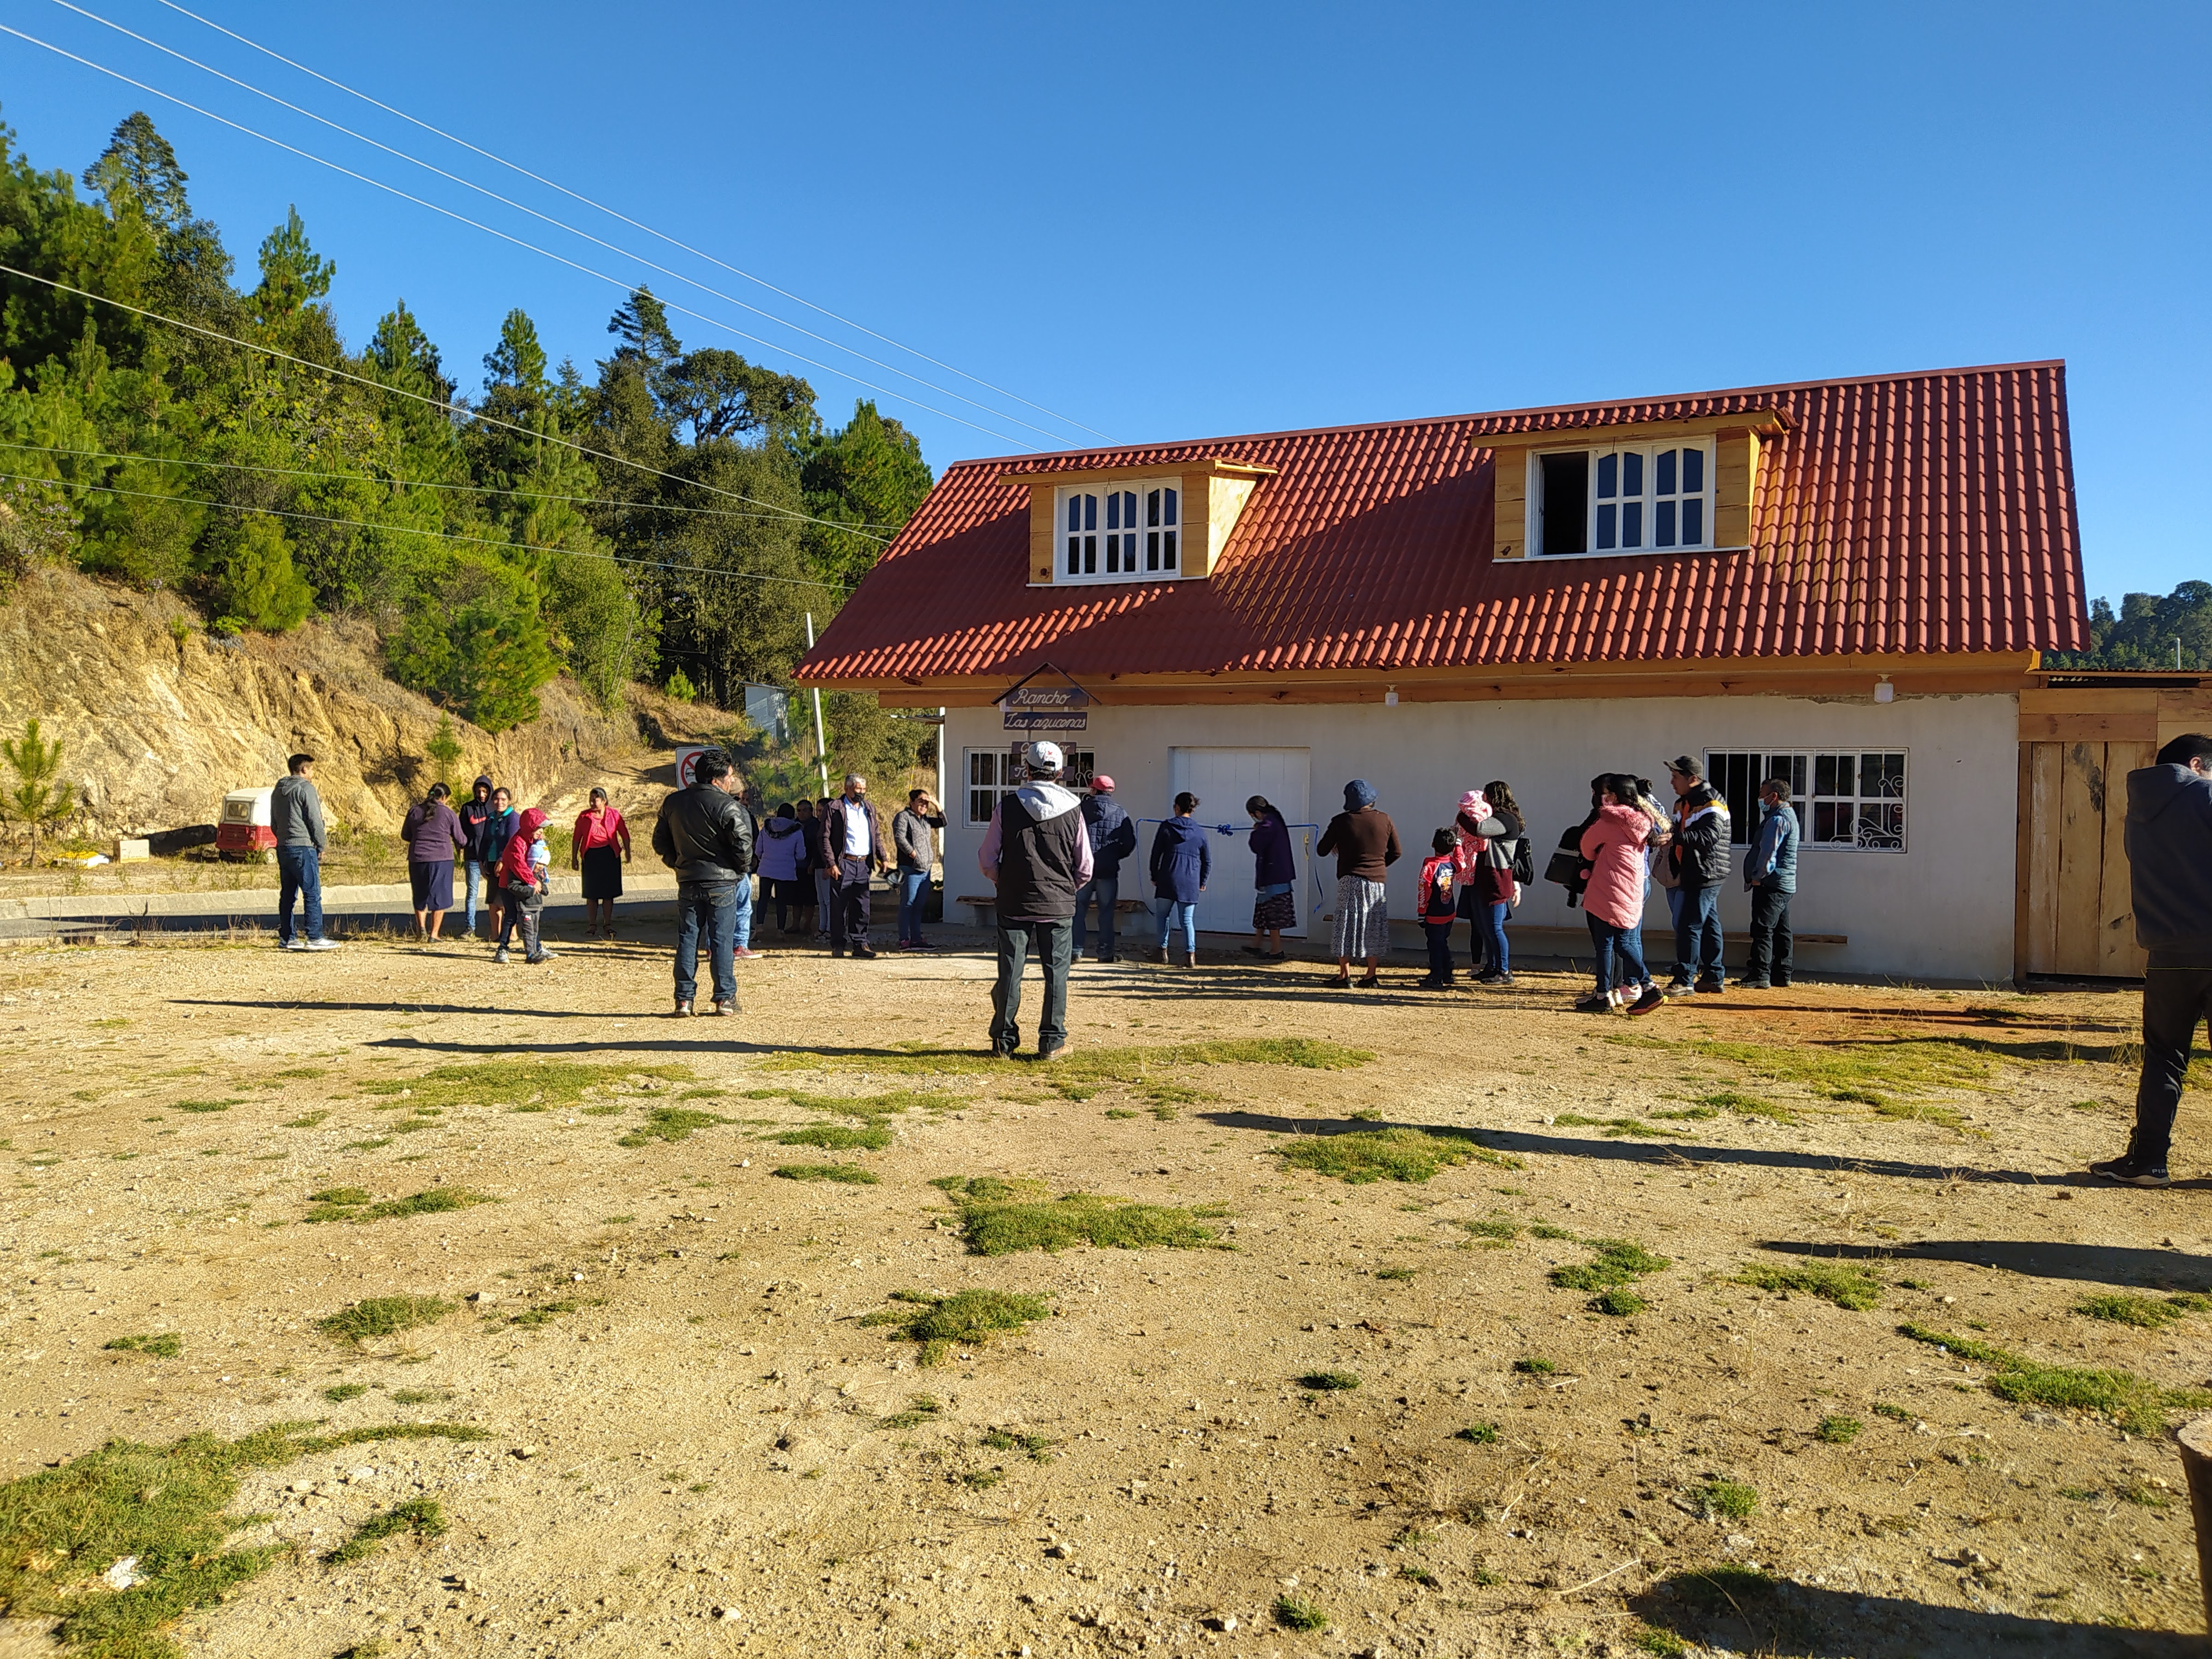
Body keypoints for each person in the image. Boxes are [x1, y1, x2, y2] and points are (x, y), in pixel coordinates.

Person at [2093, 733, 2212, 1187]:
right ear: (2197, 763)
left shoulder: (2140, 811)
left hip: (2169, 956)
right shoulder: (2206, 795)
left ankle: (2148, 1161)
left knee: (2165, 1055)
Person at [979, 740, 1092, 1059]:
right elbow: (1085, 866)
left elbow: (987, 859)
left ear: (1026, 770)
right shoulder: (1074, 808)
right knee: (1056, 974)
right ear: (1059, 773)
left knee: (1010, 972)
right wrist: (1067, 889)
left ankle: (1003, 1042)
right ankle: (1052, 1042)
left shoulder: (1007, 806)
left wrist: (1002, 879)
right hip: (1058, 904)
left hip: (1014, 901)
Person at [651, 749, 755, 1017]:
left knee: (687, 939)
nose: (732, 781)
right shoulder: (728, 805)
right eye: (730, 776)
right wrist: (739, 871)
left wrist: (678, 863)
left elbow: (659, 842)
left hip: (688, 880)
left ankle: (684, 1000)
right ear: (717, 779)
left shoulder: (673, 803)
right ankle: (724, 999)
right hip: (722, 883)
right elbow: (744, 846)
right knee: (722, 940)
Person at [1579, 774, 1666, 1016]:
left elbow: (1586, 846)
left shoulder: (1609, 820)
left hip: (1608, 886)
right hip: (1633, 886)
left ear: (1615, 796)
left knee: (1611, 943)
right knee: (1624, 940)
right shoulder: (1645, 820)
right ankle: (1605, 994)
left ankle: (1646, 986)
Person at [1317, 780, 1400, 988]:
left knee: (1345, 926)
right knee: (1373, 926)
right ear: (1371, 800)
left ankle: (1344, 975)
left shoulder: (1340, 821)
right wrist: (1379, 865)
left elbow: (1322, 850)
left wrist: (1338, 844)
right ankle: (1371, 975)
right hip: (1376, 882)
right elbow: (1397, 851)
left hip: (1350, 880)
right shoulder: (1385, 819)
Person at [1664, 755, 1730, 994]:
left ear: (1693, 779)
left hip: (1704, 872)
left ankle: (1685, 979)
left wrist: (1675, 838)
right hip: (1698, 871)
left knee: (1688, 925)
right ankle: (1714, 976)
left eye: (1676, 777)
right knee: (1709, 923)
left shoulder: (1711, 802)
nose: (1672, 782)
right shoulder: (1685, 802)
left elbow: (1708, 838)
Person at [271, 752, 339, 951]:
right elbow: (315, 820)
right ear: (304, 769)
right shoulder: (306, 788)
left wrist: (283, 837)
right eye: (311, 769)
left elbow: (273, 823)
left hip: (284, 847)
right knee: (312, 893)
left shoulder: (279, 789)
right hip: (303, 846)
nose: (313, 774)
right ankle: (315, 937)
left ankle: (287, 938)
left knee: (288, 895)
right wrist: (321, 844)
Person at [822, 776, 891, 959]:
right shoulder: (835, 808)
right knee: (839, 907)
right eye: (858, 789)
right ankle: (838, 945)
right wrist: (831, 864)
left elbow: (875, 834)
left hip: (864, 864)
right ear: (847, 789)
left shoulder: (869, 809)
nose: (861, 792)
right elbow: (824, 838)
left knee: (862, 906)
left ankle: (860, 944)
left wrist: (883, 857)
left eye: (863, 789)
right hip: (844, 863)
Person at [1740, 779, 1799, 989]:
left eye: (1762, 794)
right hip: (1784, 884)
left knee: (1762, 930)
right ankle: (1783, 974)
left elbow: (1768, 853)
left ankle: (1760, 974)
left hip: (1771, 884)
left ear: (1774, 796)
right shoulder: (1789, 816)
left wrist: (1758, 876)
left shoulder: (1777, 820)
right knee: (1782, 930)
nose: (1759, 799)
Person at [1468, 780, 1527, 986]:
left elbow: (1481, 829)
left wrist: (1464, 814)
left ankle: (1503, 970)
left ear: (1494, 797)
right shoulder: (1503, 818)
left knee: (1495, 927)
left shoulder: (1506, 819)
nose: (1483, 800)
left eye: (1486, 795)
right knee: (1485, 927)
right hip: (1485, 877)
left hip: (1497, 877)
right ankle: (1491, 967)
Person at [1073, 775, 1138, 963]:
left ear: (1093, 790)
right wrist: (1116, 855)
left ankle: (1076, 950)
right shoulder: (1120, 813)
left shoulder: (1079, 810)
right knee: (1107, 912)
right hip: (1108, 870)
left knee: (1078, 910)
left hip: (1082, 870)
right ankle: (1105, 953)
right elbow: (1130, 843)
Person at [1148, 791, 1211, 967]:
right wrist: (1203, 881)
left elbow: (1156, 854)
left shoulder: (1167, 827)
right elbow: (1207, 860)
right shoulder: (1199, 831)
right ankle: (1190, 955)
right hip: (1190, 881)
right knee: (1187, 920)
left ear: (1176, 807)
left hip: (1168, 878)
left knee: (1163, 916)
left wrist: (1154, 875)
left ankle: (1162, 952)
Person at [401, 781, 467, 941]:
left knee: (420, 894)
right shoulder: (448, 813)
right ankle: (434, 934)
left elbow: (405, 835)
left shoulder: (415, 811)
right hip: (442, 859)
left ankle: (421, 930)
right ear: (444, 797)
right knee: (440, 895)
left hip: (418, 858)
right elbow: (461, 839)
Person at [493, 807, 556, 966]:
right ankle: (502, 949)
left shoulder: (533, 841)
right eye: (539, 828)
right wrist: (533, 881)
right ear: (530, 826)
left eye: (543, 828)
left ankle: (537, 948)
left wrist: (541, 874)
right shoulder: (518, 842)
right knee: (512, 916)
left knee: (532, 919)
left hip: (525, 883)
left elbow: (539, 856)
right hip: (510, 885)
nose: (541, 831)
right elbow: (519, 865)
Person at [571, 788, 632, 941]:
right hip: (591, 856)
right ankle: (592, 924)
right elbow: (577, 837)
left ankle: (607, 924)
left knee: (608, 893)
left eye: (595, 800)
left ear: (604, 801)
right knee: (591, 893)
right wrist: (574, 858)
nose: (592, 803)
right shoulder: (584, 816)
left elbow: (624, 834)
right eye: (591, 800)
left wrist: (628, 852)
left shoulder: (614, 815)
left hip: (610, 855)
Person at [1243, 796, 1297, 962]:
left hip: (1274, 876)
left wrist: (1256, 831)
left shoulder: (1268, 826)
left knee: (1273, 913)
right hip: (1276, 874)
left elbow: (1256, 845)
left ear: (1258, 813)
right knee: (1262, 911)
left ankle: (1276, 950)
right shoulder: (1275, 820)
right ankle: (1256, 944)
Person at [893, 788, 947, 952]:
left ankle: (916, 939)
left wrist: (936, 804)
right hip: (910, 868)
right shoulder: (903, 817)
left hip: (925, 869)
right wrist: (912, 852)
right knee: (907, 904)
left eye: (926, 803)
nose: (924, 805)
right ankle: (904, 940)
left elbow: (943, 822)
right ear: (912, 802)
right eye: (920, 802)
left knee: (918, 906)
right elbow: (900, 838)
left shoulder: (925, 820)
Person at [1416, 827, 1461, 988]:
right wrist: (1459, 845)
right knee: (1442, 943)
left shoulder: (1429, 867)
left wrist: (1422, 913)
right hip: (1449, 911)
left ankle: (1436, 976)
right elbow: (1462, 863)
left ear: (1433, 844)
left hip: (1434, 914)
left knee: (1435, 945)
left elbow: (1424, 891)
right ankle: (1447, 972)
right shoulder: (1453, 863)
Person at [757, 802, 806, 935]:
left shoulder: (766, 829)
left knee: (763, 899)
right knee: (782, 902)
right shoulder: (797, 832)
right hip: (785, 871)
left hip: (766, 869)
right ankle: (781, 930)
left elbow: (758, 851)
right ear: (793, 815)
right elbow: (801, 855)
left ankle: (759, 926)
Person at [478, 786, 519, 947]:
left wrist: (503, 860)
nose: (499, 802)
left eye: (503, 799)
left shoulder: (513, 818)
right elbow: (485, 841)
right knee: (493, 900)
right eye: (496, 799)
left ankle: (512, 934)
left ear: (509, 801)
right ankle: (495, 934)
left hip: (507, 863)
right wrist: (481, 861)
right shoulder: (491, 818)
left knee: (507, 900)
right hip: (491, 862)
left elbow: (512, 841)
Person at [458, 775, 497, 938]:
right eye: (479, 791)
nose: (482, 795)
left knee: (496, 894)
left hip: (492, 858)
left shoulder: (494, 808)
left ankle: (499, 928)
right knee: (472, 893)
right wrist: (462, 847)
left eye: (485, 791)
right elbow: (460, 832)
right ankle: (470, 927)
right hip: (473, 857)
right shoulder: (467, 809)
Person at [811, 795, 836, 942]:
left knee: (829, 900)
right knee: (821, 900)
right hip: (818, 867)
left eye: (822, 811)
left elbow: (833, 849)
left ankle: (831, 929)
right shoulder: (818, 826)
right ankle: (822, 927)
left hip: (829, 868)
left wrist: (830, 866)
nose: (819, 814)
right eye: (818, 811)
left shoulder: (834, 827)